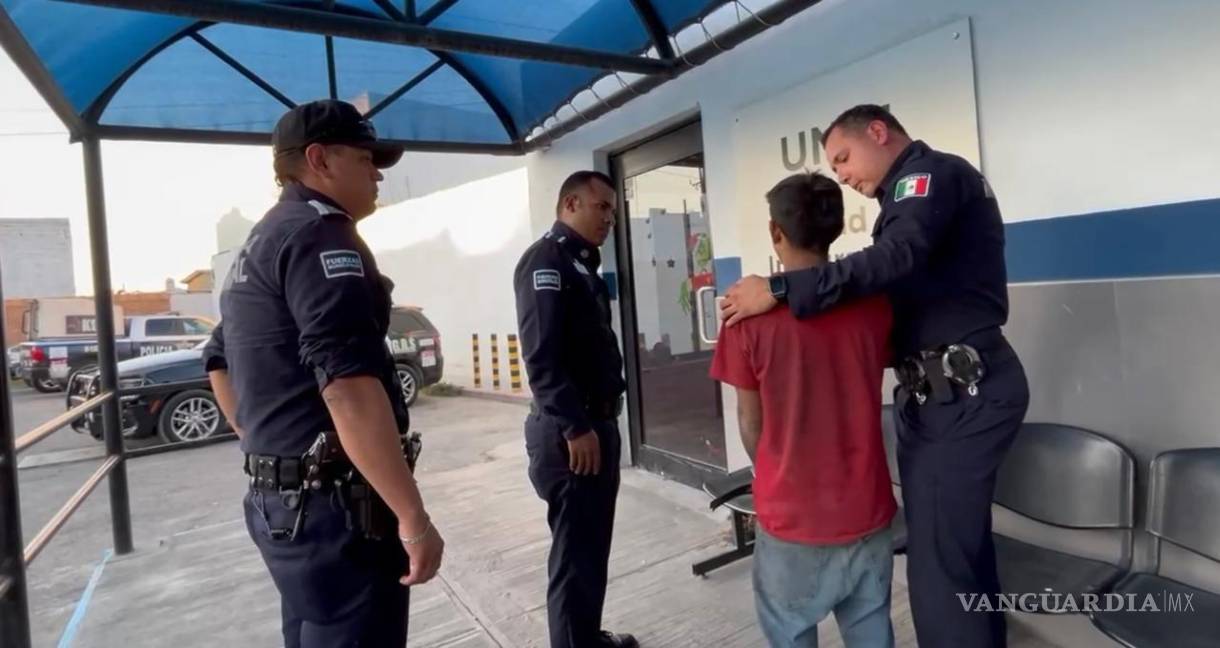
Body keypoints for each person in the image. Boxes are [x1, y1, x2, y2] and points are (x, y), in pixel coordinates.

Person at [720, 105, 1029, 647]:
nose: (842, 173)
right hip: (941, 395)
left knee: (940, 567)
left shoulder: (927, 176)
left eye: (843, 157)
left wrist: (782, 289)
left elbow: (897, 255)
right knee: (959, 554)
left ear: (879, 132)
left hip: (961, 392)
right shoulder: (904, 205)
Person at [204, 99, 443, 648]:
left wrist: (262, 440)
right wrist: (413, 519)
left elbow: (218, 359)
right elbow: (348, 389)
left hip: (283, 507)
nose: (377, 173)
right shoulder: (322, 235)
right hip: (336, 512)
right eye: (364, 158)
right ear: (319, 159)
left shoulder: (261, 241)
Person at [711, 172, 896, 648]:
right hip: (866, 508)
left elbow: (750, 421)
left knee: (790, 634)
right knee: (872, 631)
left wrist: (770, 476)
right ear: (836, 228)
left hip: (792, 516)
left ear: (776, 231)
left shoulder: (744, 318)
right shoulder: (874, 305)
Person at [513, 170, 637, 648]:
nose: (609, 218)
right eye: (600, 207)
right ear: (570, 204)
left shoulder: (580, 264)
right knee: (574, 554)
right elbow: (541, 357)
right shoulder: (546, 261)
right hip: (573, 431)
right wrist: (574, 426)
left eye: (613, 210)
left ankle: (584, 637)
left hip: (594, 423)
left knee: (590, 548)